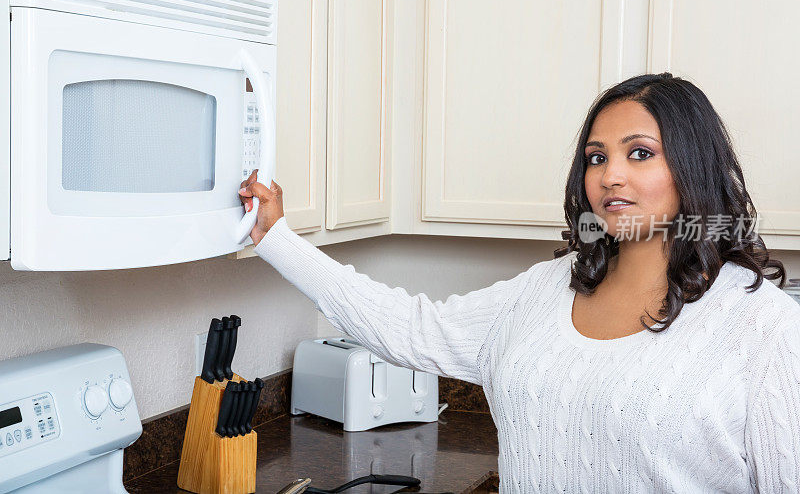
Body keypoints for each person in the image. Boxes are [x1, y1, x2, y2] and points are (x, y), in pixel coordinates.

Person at [238, 72, 800, 492]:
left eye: (640, 153)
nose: (611, 175)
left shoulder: (761, 329)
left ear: (693, 168)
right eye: (596, 157)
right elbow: (412, 329)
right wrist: (278, 239)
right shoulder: (544, 292)